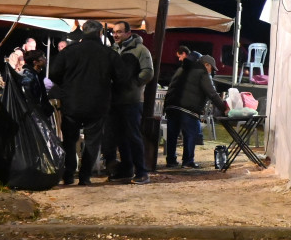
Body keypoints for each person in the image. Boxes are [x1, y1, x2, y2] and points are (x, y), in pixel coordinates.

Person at [48, 20, 122, 186]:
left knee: (69, 140)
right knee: (92, 141)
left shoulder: (69, 51)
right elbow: (121, 78)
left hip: (71, 102)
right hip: (98, 103)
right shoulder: (108, 53)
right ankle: (85, 176)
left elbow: (53, 74)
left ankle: (68, 175)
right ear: (100, 33)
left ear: (82, 31)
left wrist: (67, 85)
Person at [106, 21, 154, 184]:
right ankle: (126, 169)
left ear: (128, 33)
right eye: (114, 32)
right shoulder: (113, 50)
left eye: (119, 32)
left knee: (133, 136)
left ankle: (142, 172)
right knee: (120, 137)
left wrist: (133, 84)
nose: (116, 35)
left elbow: (148, 72)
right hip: (115, 100)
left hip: (132, 100)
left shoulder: (141, 50)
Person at [163, 52, 227, 169]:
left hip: (171, 106)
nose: (211, 72)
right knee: (190, 133)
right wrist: (224, 108)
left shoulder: (181, 69)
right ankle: (188, 161)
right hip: (187, 108)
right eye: (211, 69)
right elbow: (212, 93)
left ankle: (171, 160)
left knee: (172, 135)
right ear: (206, 65)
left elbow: (171, 86)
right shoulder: (202, 72)